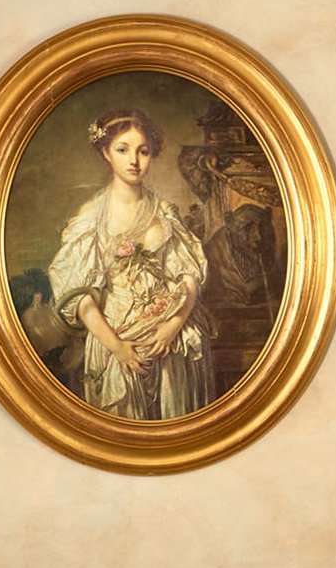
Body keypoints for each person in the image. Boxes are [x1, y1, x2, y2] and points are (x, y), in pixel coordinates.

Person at [46, 108, 214, 420]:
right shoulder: (91, 219)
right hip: (116, 342)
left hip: (168, 341)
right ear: (106, 153)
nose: (134, 161)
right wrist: (117, 347)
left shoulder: (164, 213)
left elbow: (188, 277)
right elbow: (80, 297)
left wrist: (172, 326)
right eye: (123, 150)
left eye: (143, 151)